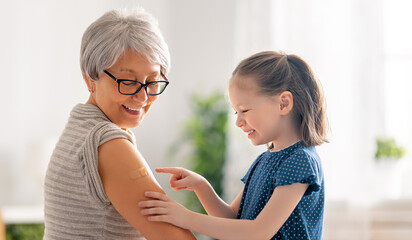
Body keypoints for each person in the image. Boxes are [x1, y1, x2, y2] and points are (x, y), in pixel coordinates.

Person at [139, 51, 328, 240]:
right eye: (236, 112)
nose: (238, 121)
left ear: (283, 104)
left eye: (244, 110)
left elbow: (258, 232)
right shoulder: (266, 159)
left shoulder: (300, 160)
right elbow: (233, 220)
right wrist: (201, 186)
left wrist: (187, 218)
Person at [43, 8, 196, 240]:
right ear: (90, 79)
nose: (142, 97)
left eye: (153, 81)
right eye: (128, 82)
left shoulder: (78, 128)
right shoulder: (108, 143)